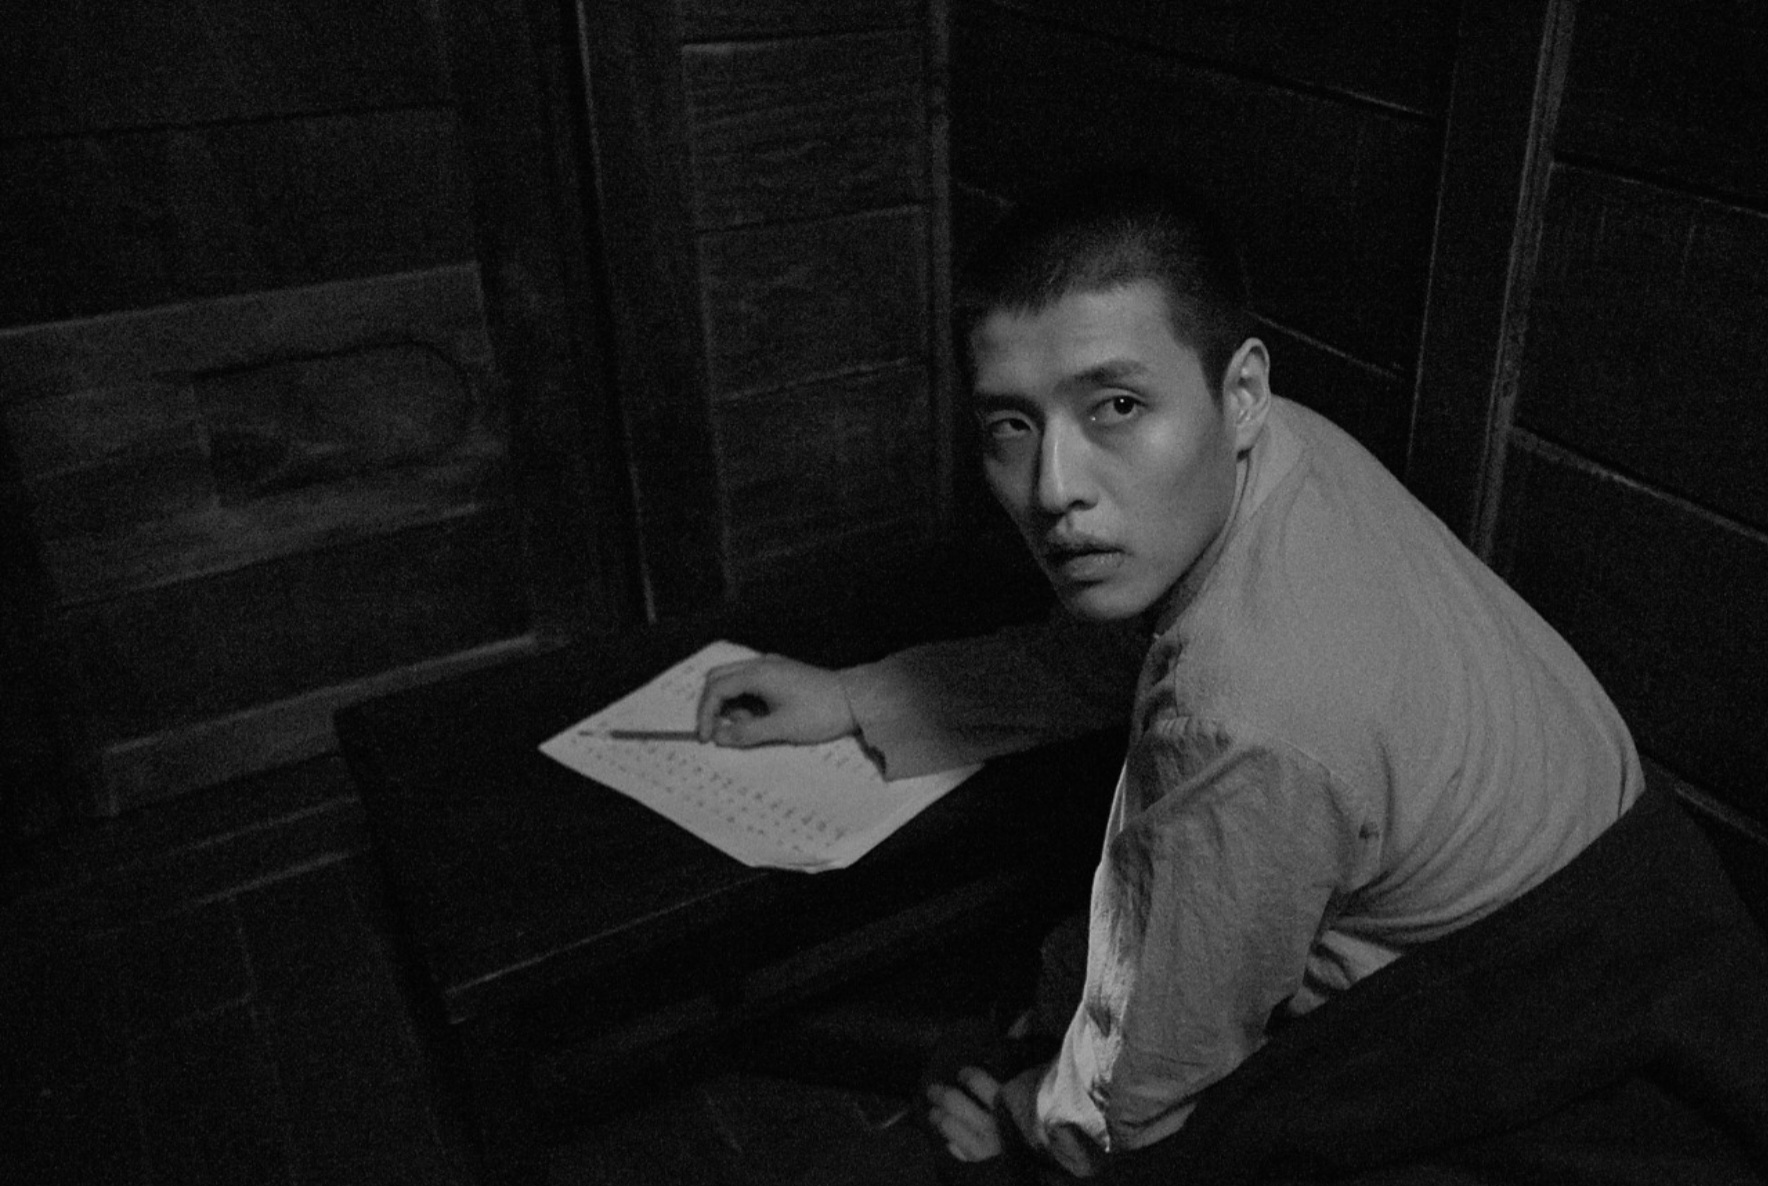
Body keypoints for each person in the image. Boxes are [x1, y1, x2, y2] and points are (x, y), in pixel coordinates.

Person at [695, 174, 1768, 1183]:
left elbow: (1143, 1097)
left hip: (1546, 998)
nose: (1054, 488)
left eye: (1114, 406)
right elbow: (1114, 648)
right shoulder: (1262, 456)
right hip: (1644, 890)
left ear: (1240, 389)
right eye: (1012, 425)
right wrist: (857, 696)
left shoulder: (1244, 714)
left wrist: (1023, 1105)